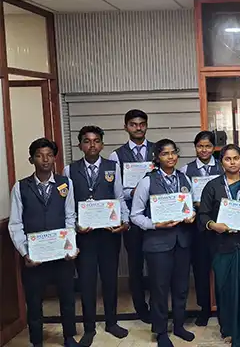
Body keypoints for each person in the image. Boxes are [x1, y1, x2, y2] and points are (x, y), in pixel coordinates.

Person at [9, 138, 80, 347]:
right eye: (40, 156)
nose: (45, 159)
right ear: (31, 159)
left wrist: (71, 245)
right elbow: (15, 224)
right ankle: (37, 341)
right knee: (33, 302)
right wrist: (25, 253)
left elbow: (70, 217)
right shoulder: (20, 187)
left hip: (61, 255)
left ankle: (69, 337)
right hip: (34, 258)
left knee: (67, 299)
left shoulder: (65, 183)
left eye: (49, 155)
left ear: (54, 158)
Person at [63, 126, 129, 346]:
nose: (92, 145)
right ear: (80, 145)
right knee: (87, 282)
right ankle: (89, 327)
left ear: (102, 144)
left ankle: (111, 322)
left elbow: (119, 197)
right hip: (85, 237)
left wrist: (124, 222)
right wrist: (75, 227)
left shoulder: (112, 167)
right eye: (87, 141)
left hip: (109, 235)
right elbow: (68, 205)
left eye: (96, 141)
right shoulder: (70, 170)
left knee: (110, 280)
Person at [130, 139, 196, 347]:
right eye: (165, 153)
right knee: (159, 289)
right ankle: (160, 331)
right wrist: (155, 224)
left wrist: (192, 216)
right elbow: (135, 215)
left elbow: (191, 206)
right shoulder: (147, 182)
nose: (170, 157)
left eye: (173, 152)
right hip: (157, 244)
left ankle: (179, 325)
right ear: (157, 157)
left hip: (182, 241)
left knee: (181, 287)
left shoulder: (184, 178)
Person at [198, 144, 240, 346]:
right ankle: (229, 329)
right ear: (221, 162)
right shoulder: (212, 186)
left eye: (236, 158)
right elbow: (203, 215)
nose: (232, 162)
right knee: (226, 290)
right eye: (228, 159)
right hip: (222, 246)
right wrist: (213, 225)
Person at [108, 109, 153, 322]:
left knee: (157, 264)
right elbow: (115, 190)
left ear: (146, 125)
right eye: (133, 124)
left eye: (142, 124)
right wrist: (134, 192)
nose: (138, 128)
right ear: (125, 127)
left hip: (155, 217)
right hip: (132, 219)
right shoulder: (116, 156)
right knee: (135, 265)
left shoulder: (158, 150)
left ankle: (158, 306)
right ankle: (141, 308)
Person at [180, 131, 221, 326]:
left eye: (208, 146)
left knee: (221, 268)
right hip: (197, 228)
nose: (204, 150)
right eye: (200, 146)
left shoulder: (222, 166)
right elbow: (182, 198)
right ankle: (204, 308)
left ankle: (222, 307)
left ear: (214, 148)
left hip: (220, 225)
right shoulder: (185, 170)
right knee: (201, 269)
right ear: (195, 147)